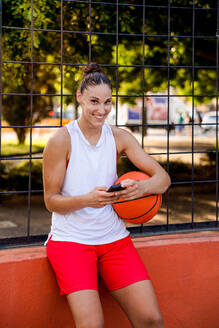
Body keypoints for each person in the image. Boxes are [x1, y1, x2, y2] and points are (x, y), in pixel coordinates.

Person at [43, 63, 171, 328]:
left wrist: (142, 188)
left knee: (151, 319)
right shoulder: (61, 141)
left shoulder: (120, 137)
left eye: (107, 102)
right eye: (93, 101)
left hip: (114, 240)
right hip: (71, 242)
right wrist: (86, 200)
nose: (101, 110)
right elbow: (50, 200)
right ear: (79, 97)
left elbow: (163, 179)